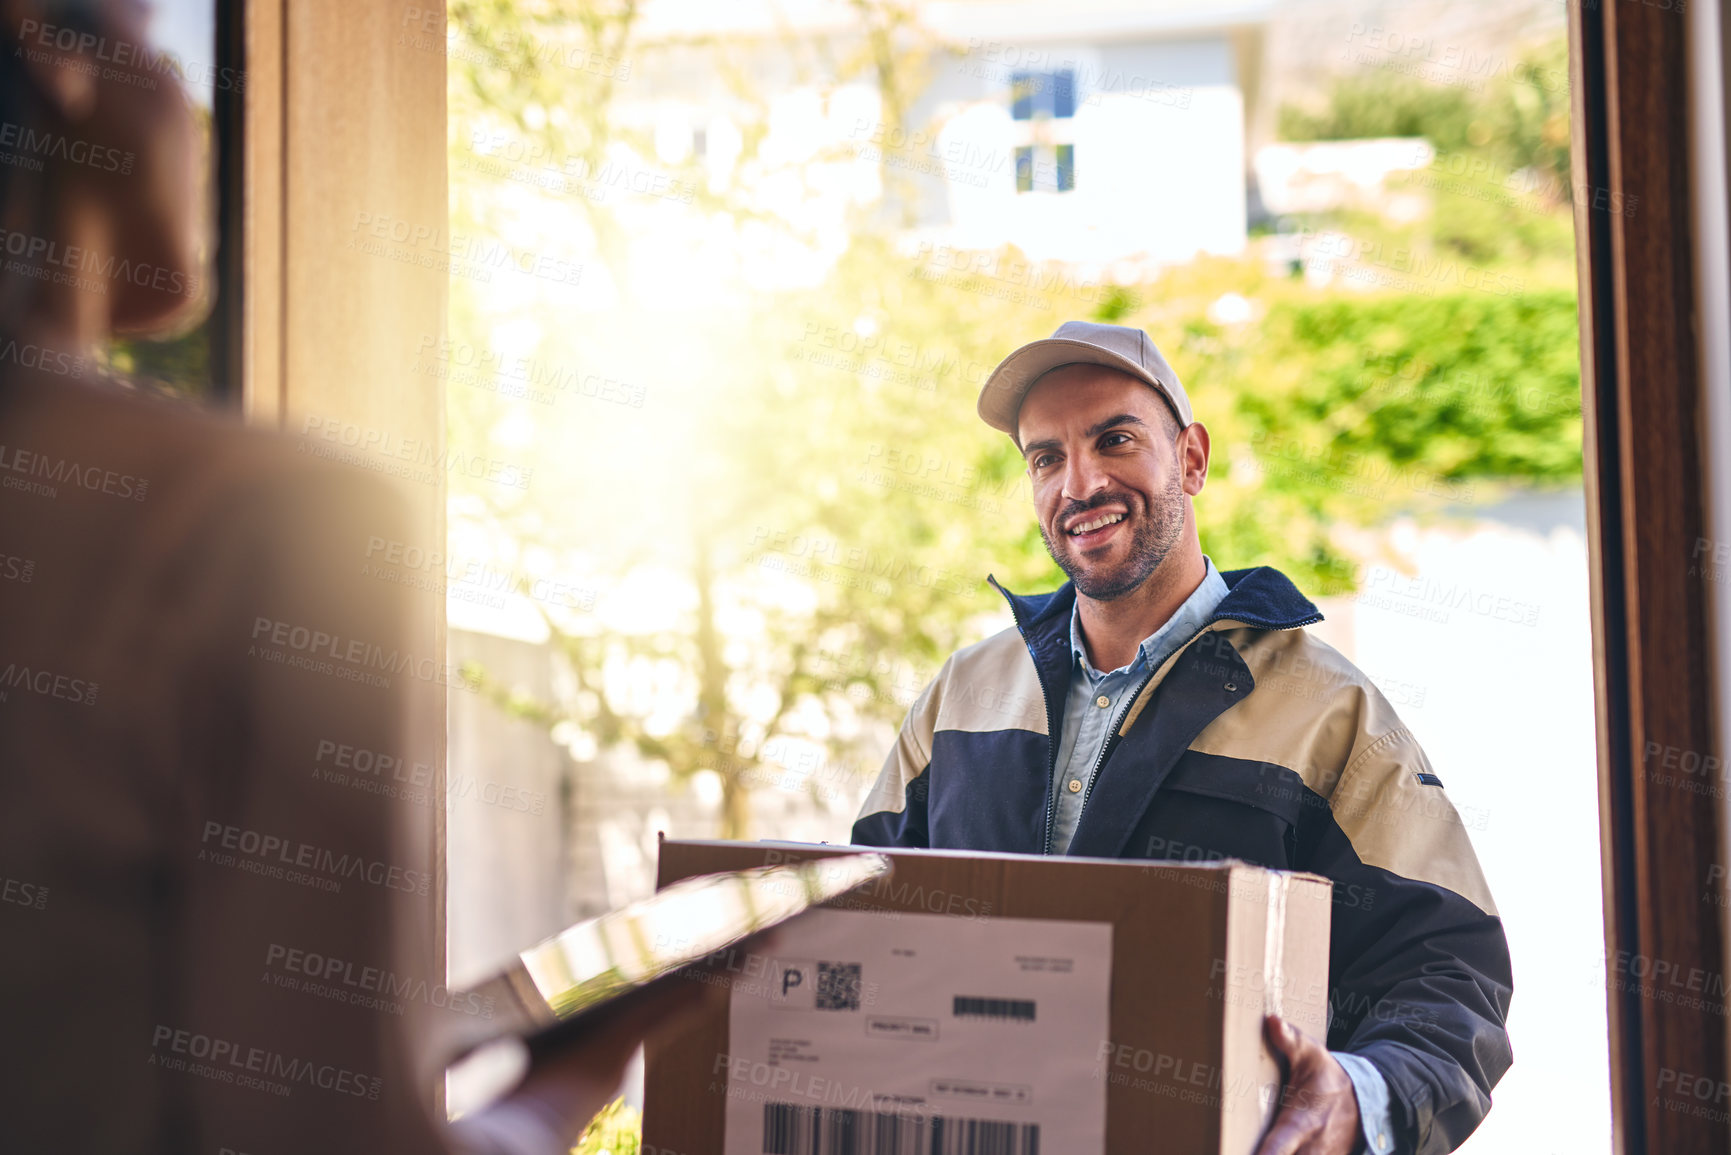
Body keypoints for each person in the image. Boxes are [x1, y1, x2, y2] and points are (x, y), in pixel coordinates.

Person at [0, 2, 701, 1151]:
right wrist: (556, 1094)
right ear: (56, 62)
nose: (196, 101)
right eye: (164, 41)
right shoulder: (252, 521)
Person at [852, 320, 1513, 1155]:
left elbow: (1450, 976)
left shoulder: (1327, 708)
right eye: (1045, 458)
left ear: (1191, 459)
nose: (1078, 483)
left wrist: (1351, 1095)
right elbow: (861, 929)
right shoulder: (960, 696)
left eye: (1114, 439)